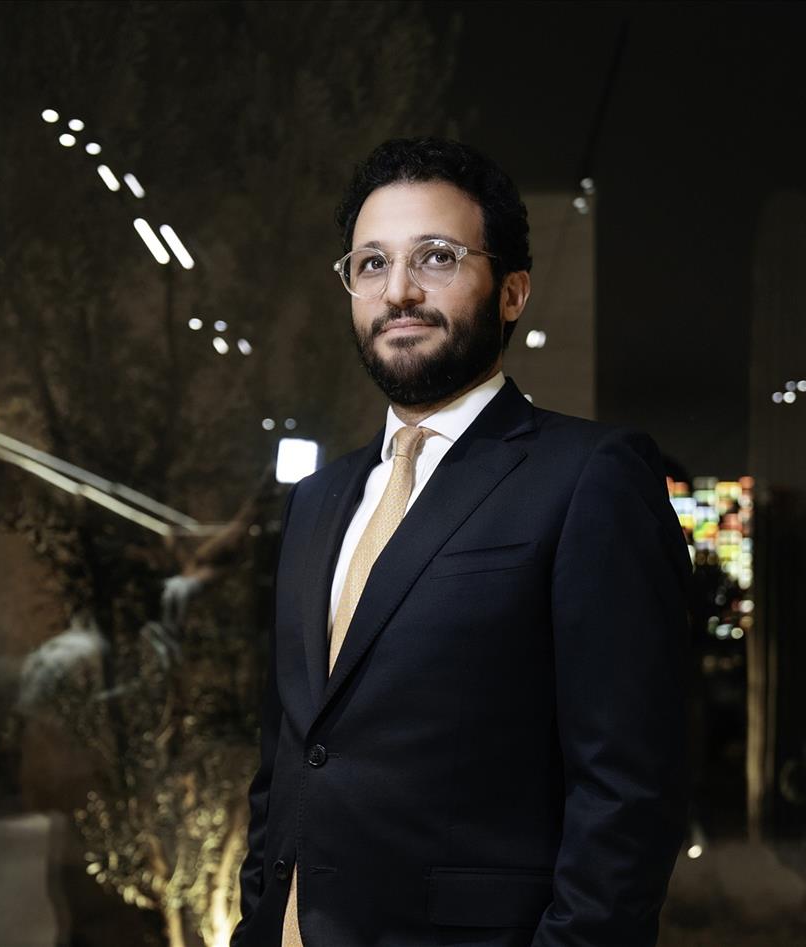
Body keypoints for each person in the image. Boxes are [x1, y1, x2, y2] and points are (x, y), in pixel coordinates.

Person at [231, 137, 691, 947]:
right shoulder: (316, 502)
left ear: (512, 291)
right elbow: (291, 754)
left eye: (436, 257)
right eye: (372, 263)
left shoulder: (589, 477)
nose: (398, 290)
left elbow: (628, 794)